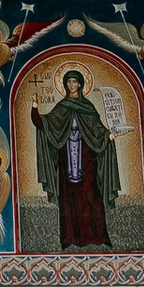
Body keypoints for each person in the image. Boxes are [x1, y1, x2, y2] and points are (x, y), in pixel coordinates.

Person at [33, 66, 116, 249]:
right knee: (68, 198)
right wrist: (35, 107)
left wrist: (107, 136)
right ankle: (69, 238)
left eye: (75, 82)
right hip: (66, 159)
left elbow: (97, 129)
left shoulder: (88, 107)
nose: (72, 85)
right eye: (69, 82)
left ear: (80, 84)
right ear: (65, 85)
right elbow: (43, 124)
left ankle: (100, 236)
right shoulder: (61, 107)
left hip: (86, 158)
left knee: (92, 194)